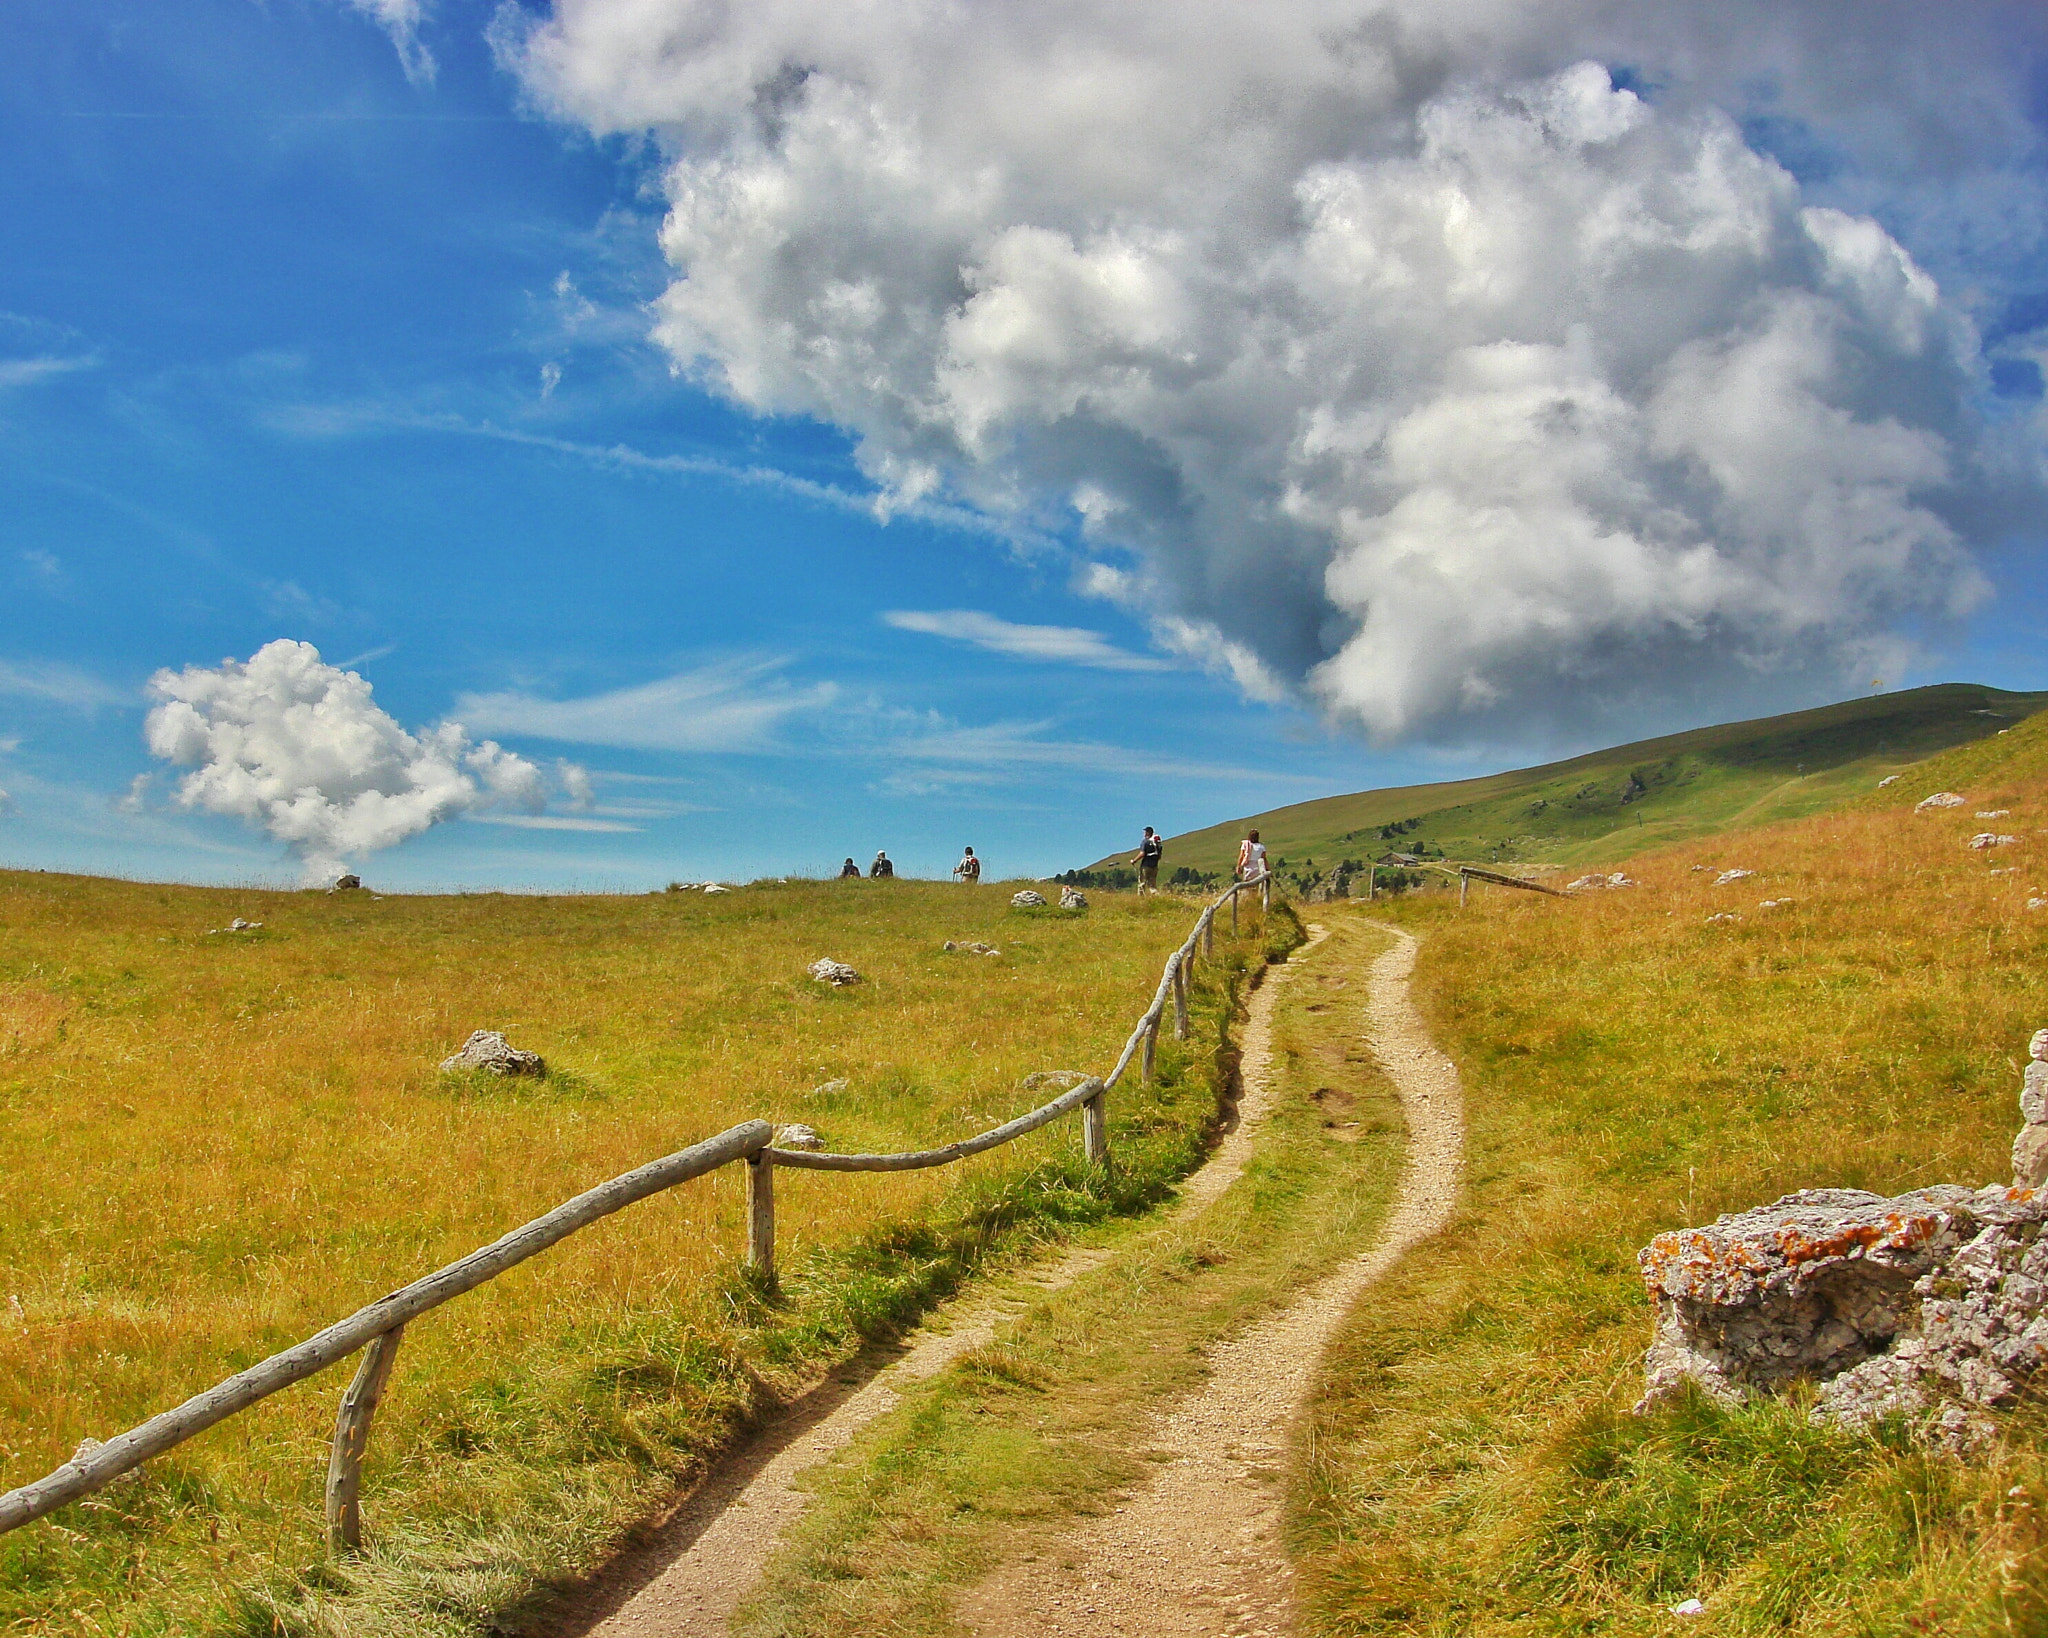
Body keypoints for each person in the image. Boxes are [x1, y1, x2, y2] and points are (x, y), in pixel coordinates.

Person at [1132, 825, 1164, 894]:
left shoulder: (1145, 842)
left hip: (1146, 866)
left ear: (1148, 833)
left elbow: (1142, 854)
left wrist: (1134, 860)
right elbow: (1160, 855)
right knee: (1152, 884)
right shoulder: (1156, 843)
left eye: (1145, 832)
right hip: (1154, 866)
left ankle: (1141, 899)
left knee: (1142, 883)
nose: (1144, 833)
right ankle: (1156, 896)